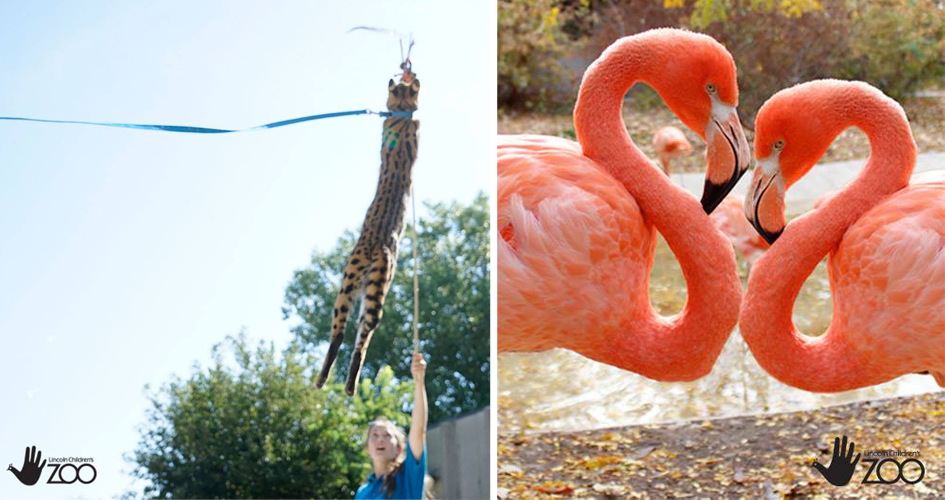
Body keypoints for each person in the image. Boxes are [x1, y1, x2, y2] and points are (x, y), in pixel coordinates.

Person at [355, 352, 428, 499]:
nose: (380, 439)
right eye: (374, 435)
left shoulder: (408, 476)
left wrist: (419, 381)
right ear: (368, 448)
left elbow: (418, 431)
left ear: (398, 449)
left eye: (387, 435)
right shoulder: (362, 492)